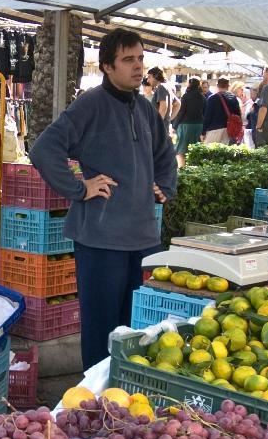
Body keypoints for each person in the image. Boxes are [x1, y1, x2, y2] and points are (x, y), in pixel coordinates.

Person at [29, 28, 176, 371]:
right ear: (108, 67)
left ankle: (127, 394)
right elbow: (44, 149)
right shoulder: (90, 104)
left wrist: (164, 187)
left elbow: (165, 154)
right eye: (128, 60)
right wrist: (81, 188)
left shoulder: (145, 108)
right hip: (100, 240)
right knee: (101, 333)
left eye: (140, 59)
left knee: (139, 332)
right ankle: (94, 398)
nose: (138, 66)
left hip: (144, 239)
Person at [200, 76, 242, 145]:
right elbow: (238, 115)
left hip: (214, 129)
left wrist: (203, 132)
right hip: (229, 130)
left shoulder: (212, 98)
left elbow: (207, 117)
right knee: (225, 151)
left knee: (210, 150)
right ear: (228, 86)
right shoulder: (233, 98)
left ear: (217, 85)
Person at [172, 77, 205, 155]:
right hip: (199, 125)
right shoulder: (202, 97)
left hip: (186, 125)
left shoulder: (186, 96)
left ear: (189, 84)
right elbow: (204, 112)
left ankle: (182, 163)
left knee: (182, 149)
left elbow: (181, 112)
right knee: (196, 149)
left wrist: (175, 126)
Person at [250, 69, 268, 148]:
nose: (263, 74)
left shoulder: (267, 88)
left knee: (262, 150)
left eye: (264, 72)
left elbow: (263, 108)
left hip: (265, 127)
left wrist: (258, 127)